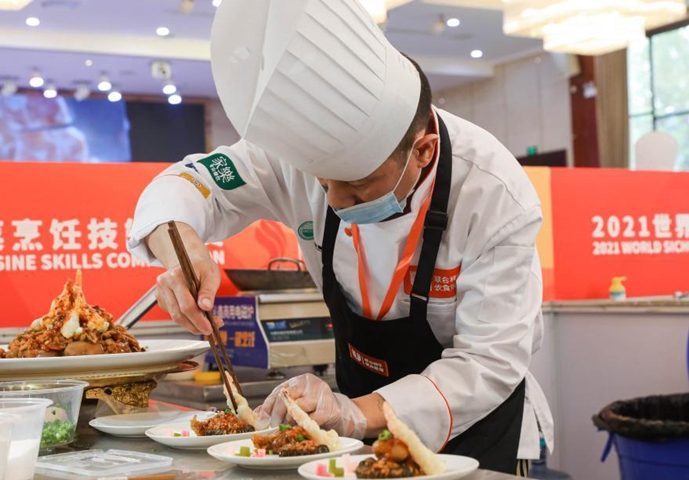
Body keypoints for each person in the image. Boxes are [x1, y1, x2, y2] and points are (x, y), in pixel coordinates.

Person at [128, 0, 553, 475]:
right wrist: (182, 248)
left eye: (356, 187)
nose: (333, 202)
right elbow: (187, 184)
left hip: (472, 428)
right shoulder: (296, 154)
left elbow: (486, 364)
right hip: (354, 429)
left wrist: (354, 413)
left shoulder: (494, 194)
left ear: (423, 151)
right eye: (324, 183)